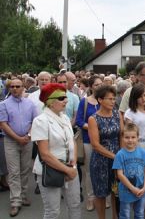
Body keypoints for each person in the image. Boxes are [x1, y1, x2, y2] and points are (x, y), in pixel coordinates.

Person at [31, 83, 81, 219]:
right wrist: (67, 170)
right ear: (50, 102)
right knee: (53, 212)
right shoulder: (40, 121)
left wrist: (73, 165)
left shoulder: (64, 118)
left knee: (75, 205)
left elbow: (72, 142)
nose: (66, 100)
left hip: (70, 168)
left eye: (66, 97)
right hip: (50, 170)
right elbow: (44, 154)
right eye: (61, 98)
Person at [0, 78, 37, 217]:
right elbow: (3, 124)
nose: (15, 88)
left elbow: (35, 121)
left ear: (23, 88)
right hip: (11, 141)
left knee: (25, 169)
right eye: (12, 86)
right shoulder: (3, 104)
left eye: (18, 86)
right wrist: (18, 138)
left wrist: (28, 135)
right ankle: (15, 201)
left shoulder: (30, 104)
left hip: (27, 141)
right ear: (9, 88)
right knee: (13, 171)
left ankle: (22, 195)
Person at [124, 82, 145, 219]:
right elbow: (128, 134)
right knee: (134, 180)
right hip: (134, 148)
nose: (143, 98)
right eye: (140, 96)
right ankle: (136, 211)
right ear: (134, 97)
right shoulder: (130, 113)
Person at [88, 85, 122, 219]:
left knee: (116, 191)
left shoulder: (117, 113)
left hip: (117, 160)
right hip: (100, 161)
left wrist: (122, 154)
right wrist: (114, 156)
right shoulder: (93, 119)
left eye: (114, 99)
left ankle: (116, 217)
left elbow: (122, 135)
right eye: (110, 99)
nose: (113, 101)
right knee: (100, 194)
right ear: (100, 100)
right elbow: (95, 145)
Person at [75, 75, 103, 211]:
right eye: (96, 85)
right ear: (91, 86)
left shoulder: (105, 100)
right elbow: (79, 121)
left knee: (103, 169)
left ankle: (103, 197)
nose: (99, 86)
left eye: (100, 84)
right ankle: (91, 199)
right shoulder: (84, 102)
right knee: (89, 171)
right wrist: (92, 127)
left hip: (104, 141)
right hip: (88, 140)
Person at [112, 123, 145, 219]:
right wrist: (132, 188)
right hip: (126, 192)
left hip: (141, 190)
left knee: (140, 214)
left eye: (133, 137)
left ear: (138, 137)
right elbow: (120, 175)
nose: (130, 140)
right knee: (125, 215)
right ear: (122, 138)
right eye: (127, 137)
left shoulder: (142, 152)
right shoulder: (120, 155)